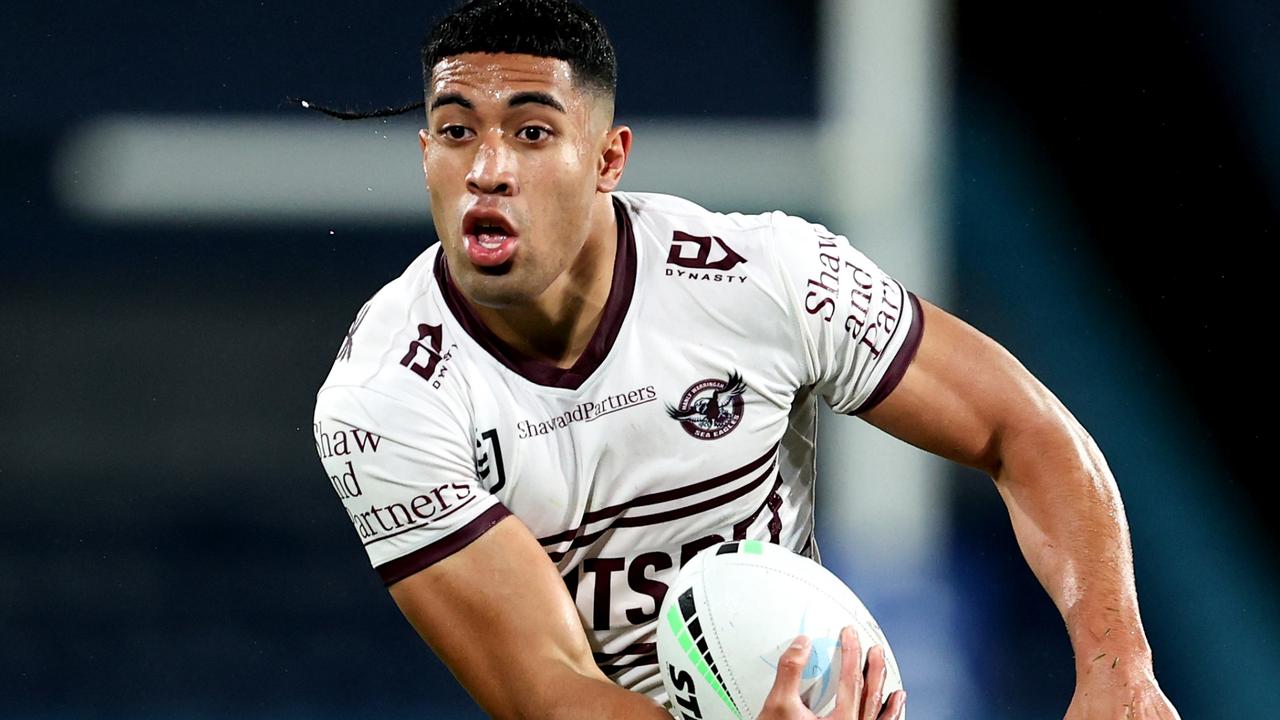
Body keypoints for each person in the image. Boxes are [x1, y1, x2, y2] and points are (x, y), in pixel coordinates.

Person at [309, 1, 1180, 718]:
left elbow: (1020, 428)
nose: (487, 168)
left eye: (533, 134)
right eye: (456, 132)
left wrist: (1117, 666)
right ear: (427, 156)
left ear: (609, 158)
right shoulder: (383, 400)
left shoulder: (769, 277)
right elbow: (547, 687)